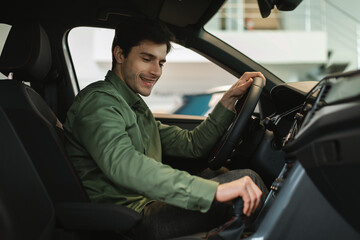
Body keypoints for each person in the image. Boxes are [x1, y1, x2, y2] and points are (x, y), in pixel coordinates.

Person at [63, 17, 268, 239]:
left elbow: (192, 145)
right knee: (247, 181)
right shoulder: (99, 103)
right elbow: (124, 163)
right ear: (120, 54)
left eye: (160, 62)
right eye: (147, 59)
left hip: (145, 205)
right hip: (129, 219)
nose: (156, 71)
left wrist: (227, 101)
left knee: (220, 174)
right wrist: (214, 190)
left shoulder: (132, 107)